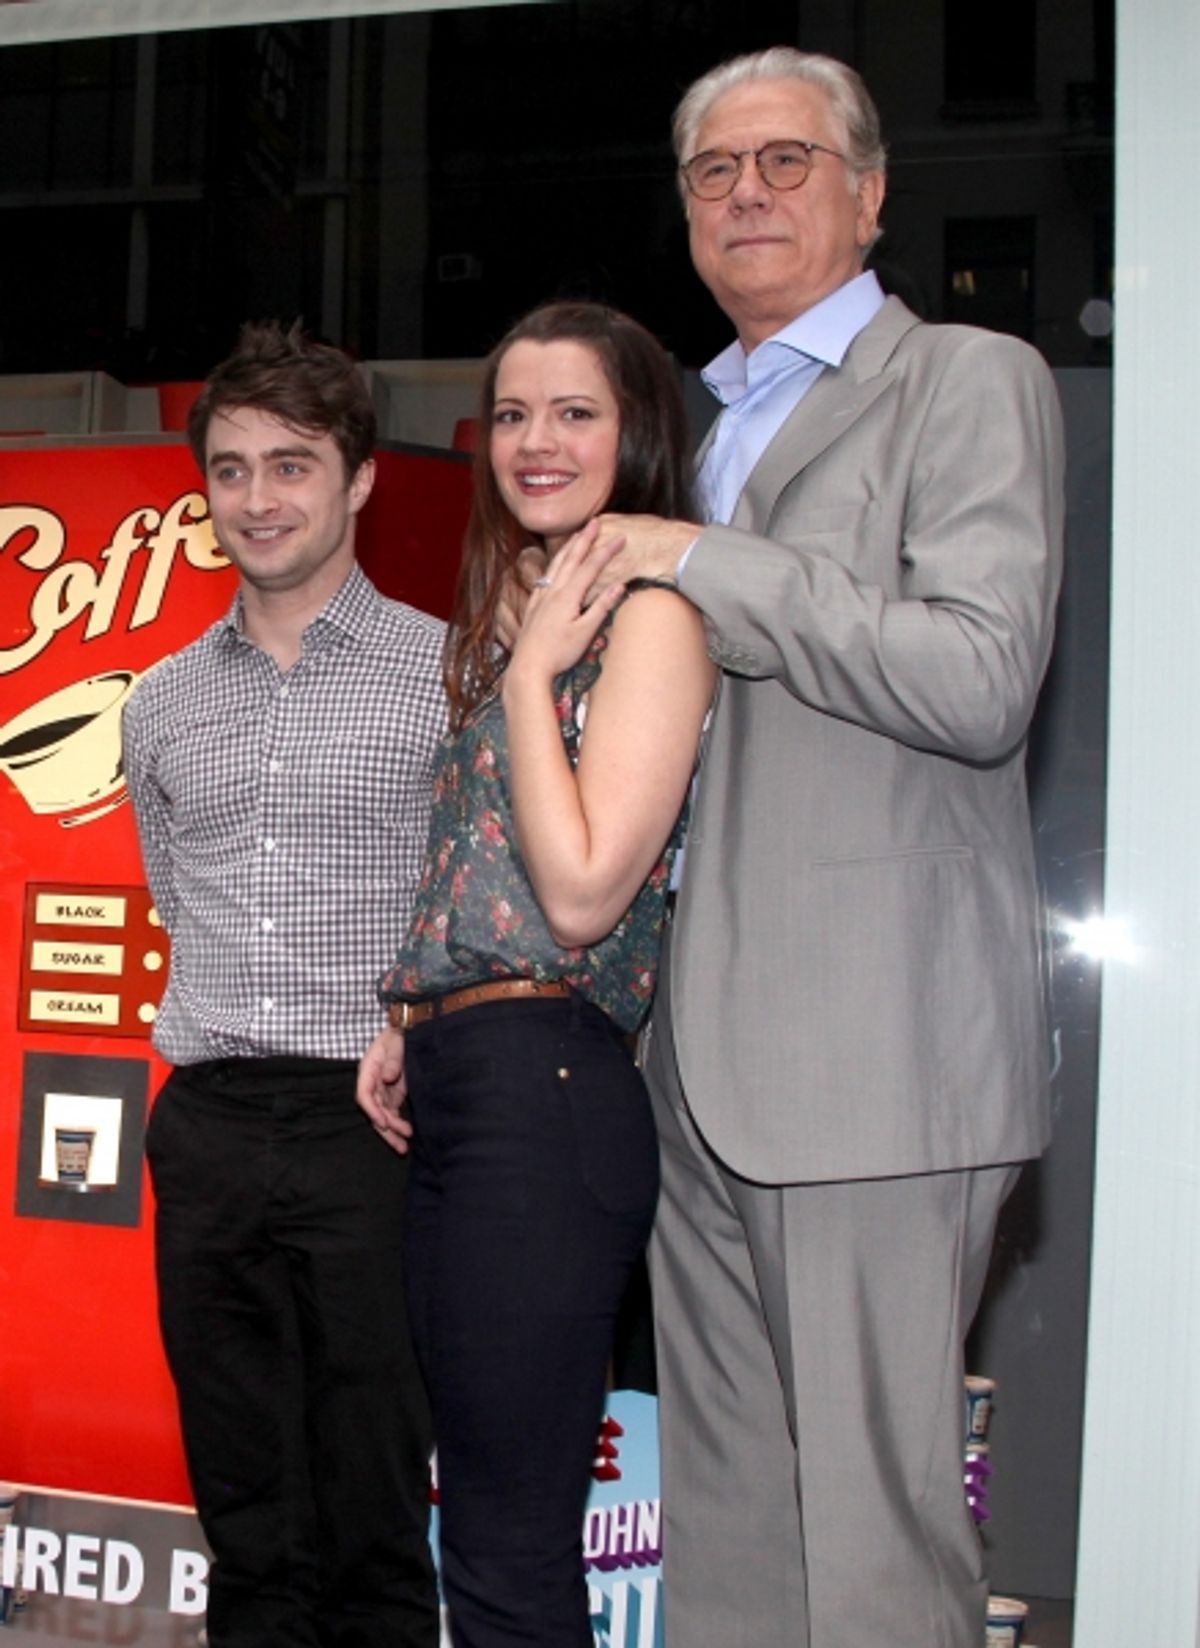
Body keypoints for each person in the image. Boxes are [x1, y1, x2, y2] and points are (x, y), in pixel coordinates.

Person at [586, 47, 1065, 1648]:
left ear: (868, 196)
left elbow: (980, 678)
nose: (748, 193)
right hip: (686, 1059)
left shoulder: (966, 380)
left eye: (786, 161)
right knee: (728, 1539)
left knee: (873, 1551)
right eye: (714, 171)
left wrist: (710, 566)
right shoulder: (679, 421)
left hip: (876, 1053)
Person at [356, 300, 713, 1648]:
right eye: (512, 413)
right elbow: (482, 855)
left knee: (509, 1559)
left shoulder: (653, 620)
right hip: (467, 1083)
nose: (535, 441)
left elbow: (577, 896)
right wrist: (411, 1009)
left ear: (638, 434)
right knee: (480, 1539)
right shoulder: (526, 615)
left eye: (574, 413)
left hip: (547, 1091)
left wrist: (530, 675)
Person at [123, 321, 444, 1648]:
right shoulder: (160, 702)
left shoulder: (448, 674)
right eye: (232, 467)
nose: (258, 498)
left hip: (377, 1124)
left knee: (374, 1501)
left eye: (292, 464)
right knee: (244, 1511)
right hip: (207, 1124)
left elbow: (484, 906)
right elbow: (171, 891)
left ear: (359, 478)